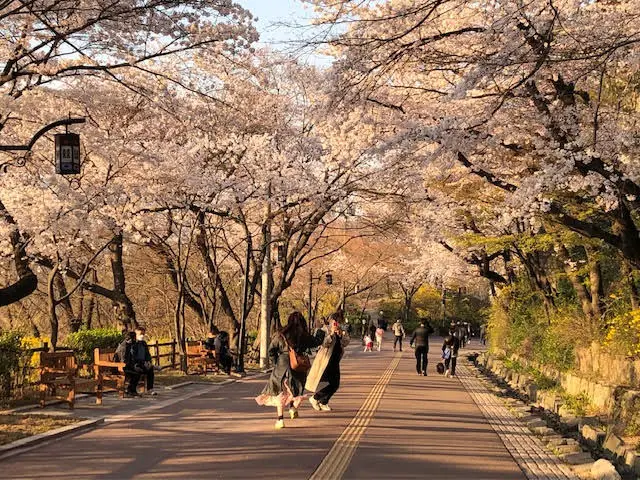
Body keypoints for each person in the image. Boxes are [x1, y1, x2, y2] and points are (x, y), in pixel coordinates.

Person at [255, 311, 324, 429]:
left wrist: (276, 361)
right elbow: (316, 342)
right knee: (295, 390)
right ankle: (293, 408)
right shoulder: (304, 335)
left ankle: (280, 420)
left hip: (281, 366)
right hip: (297, 366)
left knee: (280, 393)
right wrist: (320, 330)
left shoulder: (281, 334)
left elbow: (271, 350)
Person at [306, 312, 351, 413]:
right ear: (331, 320)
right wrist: (331, 333)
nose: (337, 324)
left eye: (339, 322)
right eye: (336, 321)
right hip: (325, 361)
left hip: (335, 360)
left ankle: (323, 401)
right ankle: (316, 399)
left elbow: (346, 343)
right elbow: (324, 344)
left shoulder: (341, 331)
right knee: (326, 383)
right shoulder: (324, 330)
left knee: (335, 384)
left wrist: (342, 334)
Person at [124, 327, 156, 396]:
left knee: (150, 369)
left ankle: (150, 389)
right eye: (141, 334)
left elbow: (147, 354)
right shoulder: (133, 344)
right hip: (134, 364)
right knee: (137, 371)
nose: (142, 336)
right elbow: (132, 356)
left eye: (143, 334)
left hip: (142, 363)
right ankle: (130, 389)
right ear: (136, 334)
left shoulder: (144, 343)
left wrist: (148, 361)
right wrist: (140, 363)